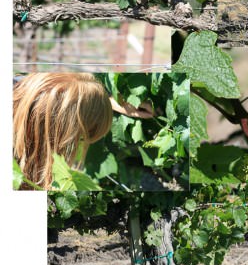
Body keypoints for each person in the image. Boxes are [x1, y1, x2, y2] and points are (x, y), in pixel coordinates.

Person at [13, 73, 155, 190]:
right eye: (80, 137)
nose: (79, 143)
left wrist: (110, 101)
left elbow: (54, 96)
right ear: (51, 136)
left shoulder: (20, 88)